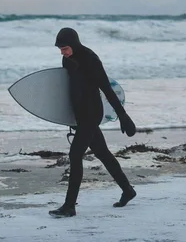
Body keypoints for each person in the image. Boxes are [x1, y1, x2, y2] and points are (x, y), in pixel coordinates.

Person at [49, 27, 137, 218]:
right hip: (80, 114)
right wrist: (70, 118)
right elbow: (70, 90)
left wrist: (123, 116)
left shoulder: (90, 59)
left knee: (74, 155)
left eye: (64, 48)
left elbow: (106, 88)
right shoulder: (67, 59)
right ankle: (128, 190)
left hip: (92, 112)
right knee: (103, 154)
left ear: (73, 44)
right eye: (60, 49)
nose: (62, 52)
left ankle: (69, 206)